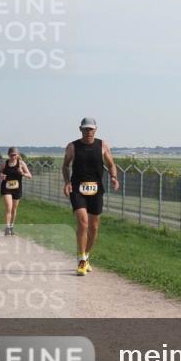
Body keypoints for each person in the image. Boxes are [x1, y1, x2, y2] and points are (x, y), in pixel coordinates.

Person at [62, 118, 119, 276]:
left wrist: (114, 177)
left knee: (94, 227)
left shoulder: (102, 146)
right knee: (83, 222)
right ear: (80, 129)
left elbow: (111, 164)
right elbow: (65, 165)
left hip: (96, 190)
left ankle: (86, 256)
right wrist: (67, 182)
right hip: (77, 189)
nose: (88, 132)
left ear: (96, 130)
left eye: (91, 129)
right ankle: (81, 260)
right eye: (86, 129)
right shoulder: (73, 146)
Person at [0, 147, 32, 235]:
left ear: (18, 155)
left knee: (14, 209)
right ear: (8, 155)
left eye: (15, 155)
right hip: (6, 188)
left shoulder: (21, 163)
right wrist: (1, 175)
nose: (13, 157)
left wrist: (22, 173)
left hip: (17, 189)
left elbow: (30, 176)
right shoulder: (5, 163)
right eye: (11, 155)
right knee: (9, 207)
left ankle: (12, 226)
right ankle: (7, 227)